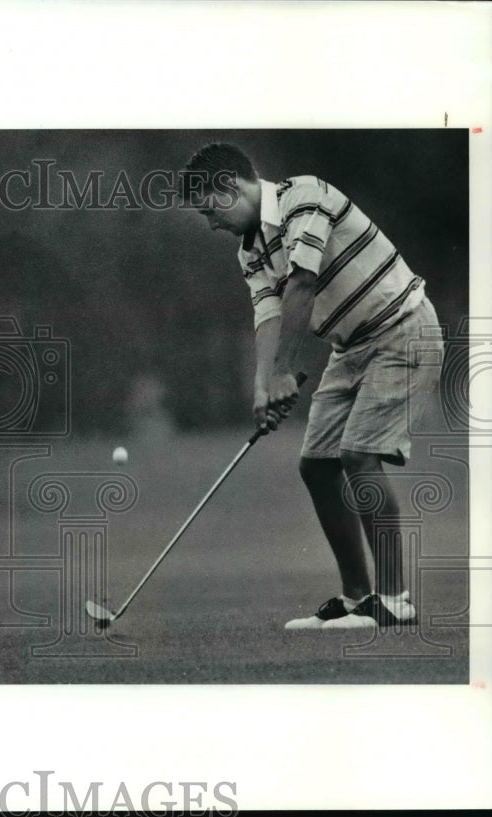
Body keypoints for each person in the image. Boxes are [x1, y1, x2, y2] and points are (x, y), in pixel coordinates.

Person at [182, 142, 444, 629]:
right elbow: (269, 312)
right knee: (317, 465)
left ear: (230, 186)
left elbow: (302, 282)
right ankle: (357, 600)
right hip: (351, 348)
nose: (210, 223)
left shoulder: (304, 196)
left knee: (358, 456)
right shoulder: (250, 250)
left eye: (209, 211)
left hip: (403, 329)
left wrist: (285, 371)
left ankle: (395, 600)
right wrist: (264, 387)